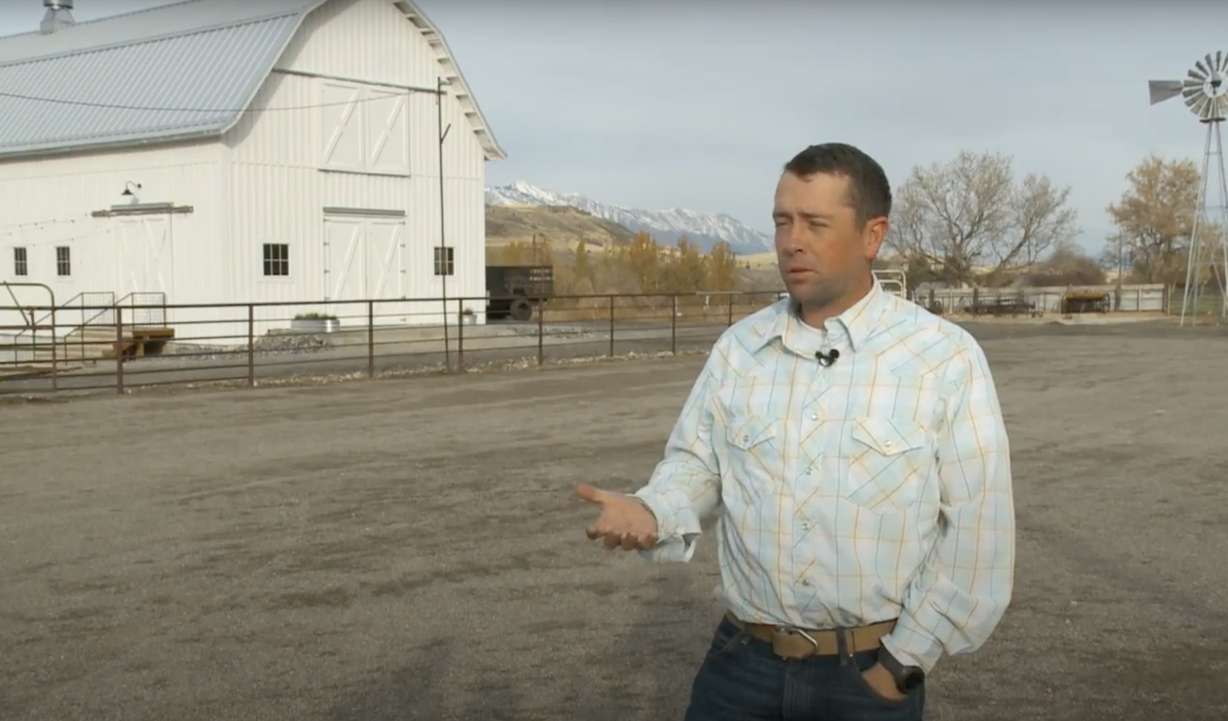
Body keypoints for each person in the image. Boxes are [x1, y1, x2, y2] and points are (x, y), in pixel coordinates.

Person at [577, 143, 1015, 721]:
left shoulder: (943, 359)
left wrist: (902, 665)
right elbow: (699, 466)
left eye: (815, 223)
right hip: (740, 669)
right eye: (783, 221)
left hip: (867, 679)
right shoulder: (740, 350)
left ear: (871, 235)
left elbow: (977, 534)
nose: (792, 241)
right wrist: (654, 510)